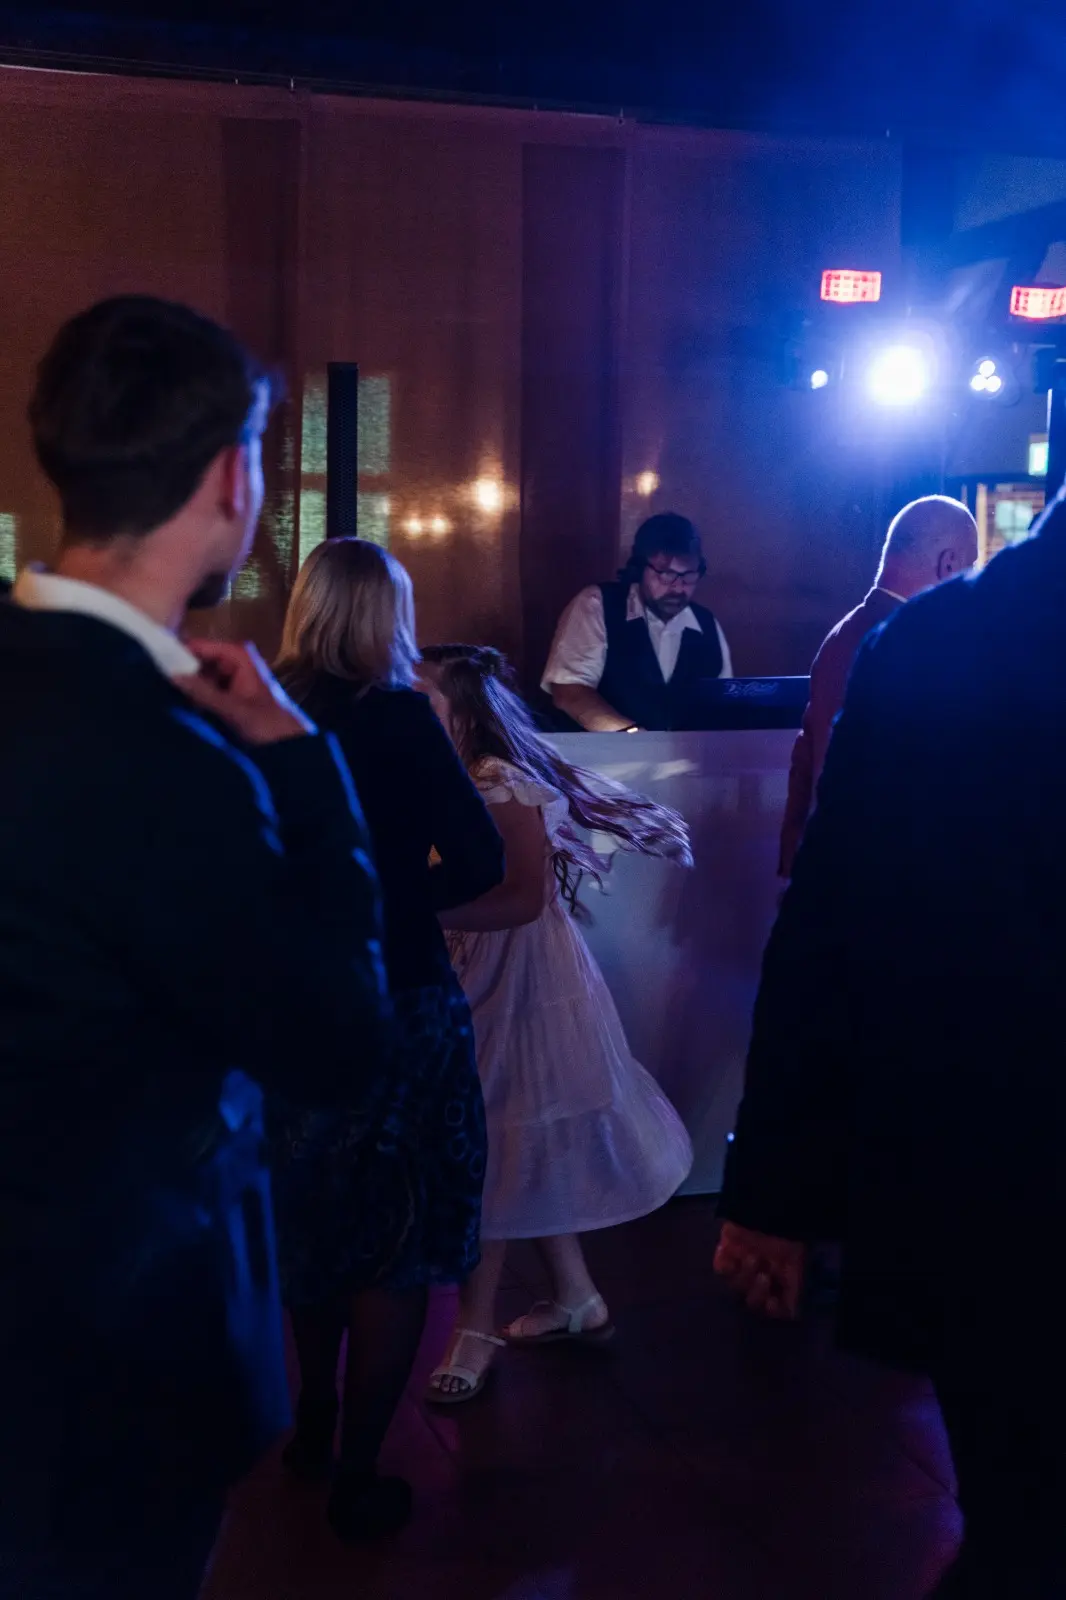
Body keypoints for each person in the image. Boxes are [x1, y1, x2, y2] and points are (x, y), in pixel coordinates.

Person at [0, 298, 390, 1599]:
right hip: (99, 1360)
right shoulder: (169, 760)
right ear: (234, 477)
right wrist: (305, 770)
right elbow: (338, 1043)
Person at [713, 489, 1066, 1597]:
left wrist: (773, 1191)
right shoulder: (928, 640)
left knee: (1015, 1517)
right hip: (993, 1165)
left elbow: (829, 925)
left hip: (978, 1165)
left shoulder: (939, 640)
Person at [270, 539, 503, 1538]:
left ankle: (313, 1416)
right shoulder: (402, 716)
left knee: (313, 1216)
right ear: (384, 616)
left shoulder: (262, 713)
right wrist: (402, 900)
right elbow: (482, 857)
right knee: (396, 1243)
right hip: (401, 1000)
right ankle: (360, 1472)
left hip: (290, 1007)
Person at [418, 645, 694, 1404]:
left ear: (462, 711)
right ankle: (577, 1298)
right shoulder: (458, 773)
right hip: (496, 962)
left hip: (519, 972)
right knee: (520, 1129)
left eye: (421, 695)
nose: (406, 707)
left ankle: (473, 1329)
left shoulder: (495, 778)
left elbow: (522, 899)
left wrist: (409, 915)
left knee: (492, 1137)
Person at [778, 495, 978, 878]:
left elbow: (806, 759)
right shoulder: (913, 646)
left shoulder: (843, 635)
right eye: (971, 569)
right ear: (949, 564)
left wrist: (796, 866)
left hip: (836, 868)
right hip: (887, 875)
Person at [542, 513, 733, 732]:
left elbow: (723, 705)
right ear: (639, 568)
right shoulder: (598, 604)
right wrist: (634, 736)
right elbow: (570, 693)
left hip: (686, 754)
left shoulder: (707, 624)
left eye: (689, 575)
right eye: (666, 574)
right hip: (604, 753)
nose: (678, 587)